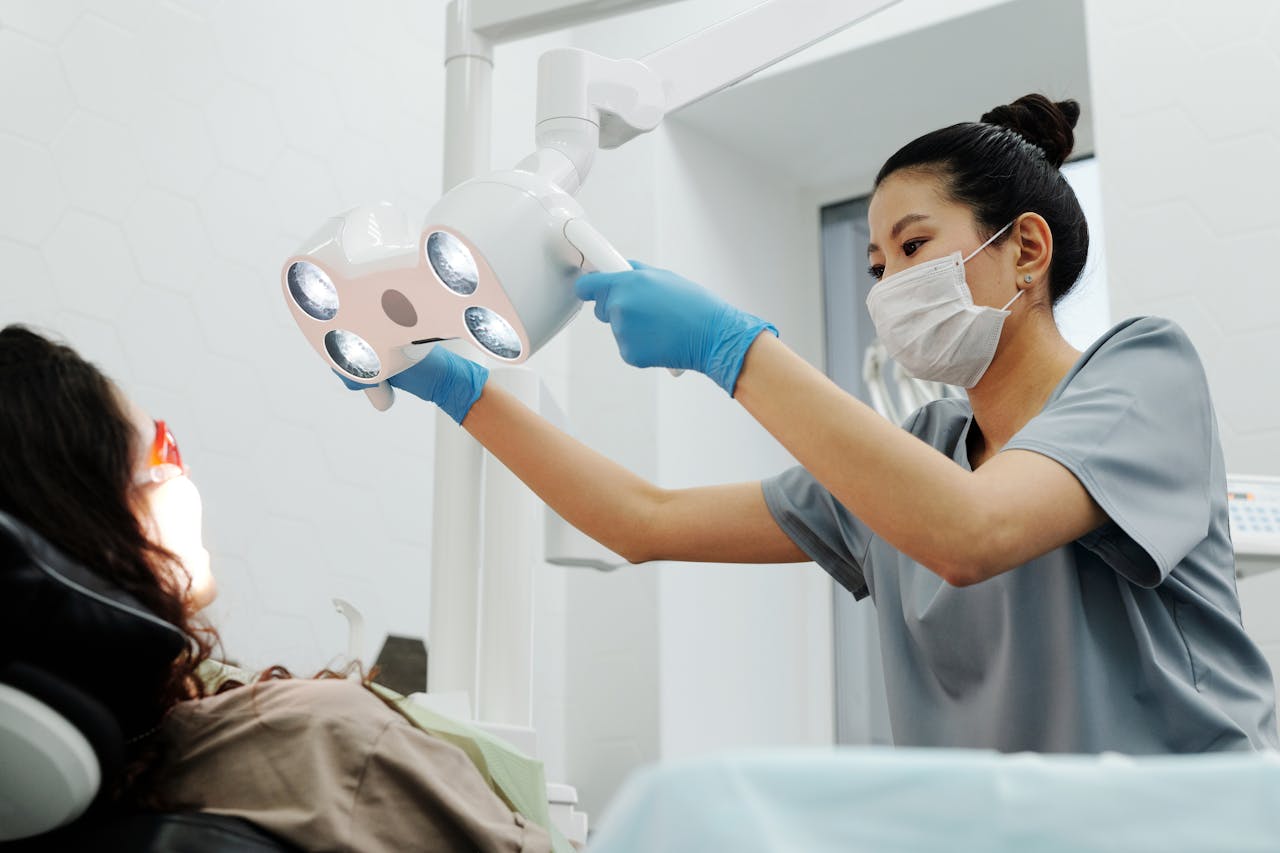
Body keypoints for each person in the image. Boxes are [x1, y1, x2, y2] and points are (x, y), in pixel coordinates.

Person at [346, 94, 1278, 754]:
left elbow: (974, 531)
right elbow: (643, 518)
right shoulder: (917, 459)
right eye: (876, 265)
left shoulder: (1143, 372)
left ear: (1025, 248)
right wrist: (457, 386)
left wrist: (729, 347)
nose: (889, 285)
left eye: (914, 246)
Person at [0, 325, 556, 853]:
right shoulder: (327, 741)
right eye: (166, 450)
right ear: (92, 517)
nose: (186, 476)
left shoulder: (109, 758)